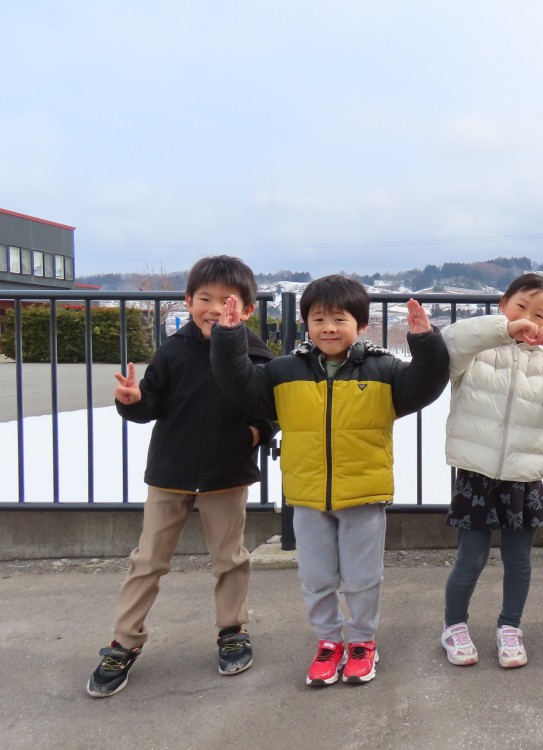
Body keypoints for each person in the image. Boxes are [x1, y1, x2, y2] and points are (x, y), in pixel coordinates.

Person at [210, 274, 449, 687]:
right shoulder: (284, 371)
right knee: (316, 578)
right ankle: (328, 642)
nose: (329, 328)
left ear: (361, 324)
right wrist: (229, 338)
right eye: (319, 319)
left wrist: (425, 341)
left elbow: (426, 384)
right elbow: (241, 386)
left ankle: (362, 642)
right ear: (306, 324)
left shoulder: (384, 370)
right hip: (307, 496)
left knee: (362, 578)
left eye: (340, 319)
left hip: (364, 495)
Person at [86, 255, 276, 698]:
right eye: (204, 298)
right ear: (188, 301)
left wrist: (253, 434)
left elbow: (271, 408)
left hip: (227, 474)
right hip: (170, 471)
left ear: (247, 309)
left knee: (229, 558)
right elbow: (151, 403)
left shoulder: (254, 353)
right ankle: (124, 641)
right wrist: (133, 400)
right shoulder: (173, 350)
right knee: (148, 559)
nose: (214, 308)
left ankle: (232, 630)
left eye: (227, 300)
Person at [439, 272, 543, 669]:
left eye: (540, 315)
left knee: (519, 560)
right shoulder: (477, 351)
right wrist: (501, 331)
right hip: (476, 473)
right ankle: (454, 625)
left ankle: (510, 627)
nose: (528, 318)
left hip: (524, 474)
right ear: (502, 305)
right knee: (470, 560)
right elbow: (450, 344)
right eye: (521, 306)